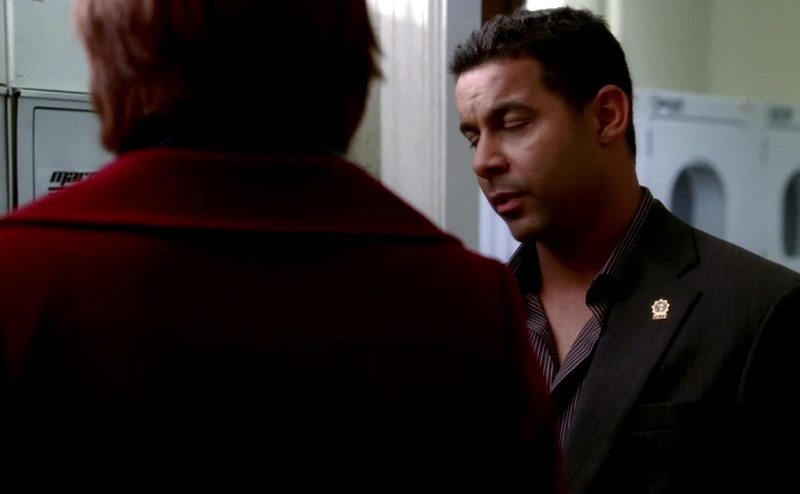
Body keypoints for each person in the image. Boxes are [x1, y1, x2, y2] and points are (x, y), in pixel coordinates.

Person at [0, 1, 564, 491]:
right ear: (347, 58)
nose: (484, 160)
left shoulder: (20, 273)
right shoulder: (469, 300)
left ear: (116, 61)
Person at [451, 6, 800, 493]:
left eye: (512, 124)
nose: (484, 161)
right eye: (474, 137)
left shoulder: (757, 307)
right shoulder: (476, 318)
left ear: (607, 116)